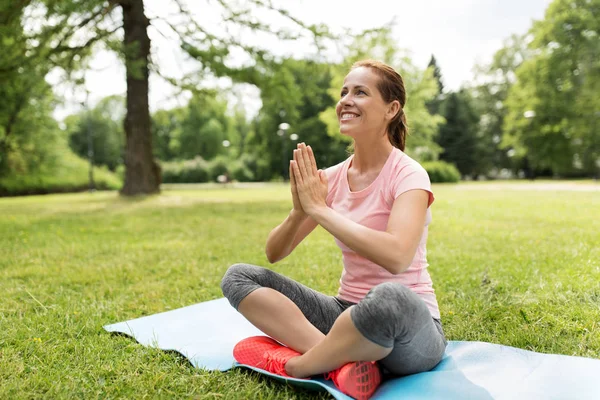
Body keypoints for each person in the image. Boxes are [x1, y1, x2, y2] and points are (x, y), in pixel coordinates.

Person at [220, 60, 447, 400]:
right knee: (238, 277)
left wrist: (320, 210)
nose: (346, 100)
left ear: (391, 109)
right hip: (343, 313)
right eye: (343, 92)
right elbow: (275, 252)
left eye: (360, 92)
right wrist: (300, 212)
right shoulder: (332, 179)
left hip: (406, 330)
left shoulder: (409, 175)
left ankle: (303, 364)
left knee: (389, 297)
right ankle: (336, 361)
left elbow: (397, 257)